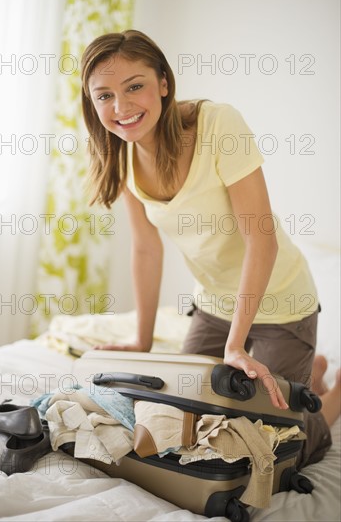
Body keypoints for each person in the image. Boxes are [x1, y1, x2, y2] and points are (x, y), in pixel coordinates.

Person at [80, 29, 340, 468]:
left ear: (163, 82)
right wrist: (141, 339)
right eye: (104, 96)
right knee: (184, 414)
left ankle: (331, 393)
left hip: (281, 299)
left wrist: (236, 346)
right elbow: (146, 249)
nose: (121, 108)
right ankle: (308, 368)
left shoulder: (218, 124)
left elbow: (262, 238)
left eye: (135, 86)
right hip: (215, 302)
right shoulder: (119, 152)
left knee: (279, 447)